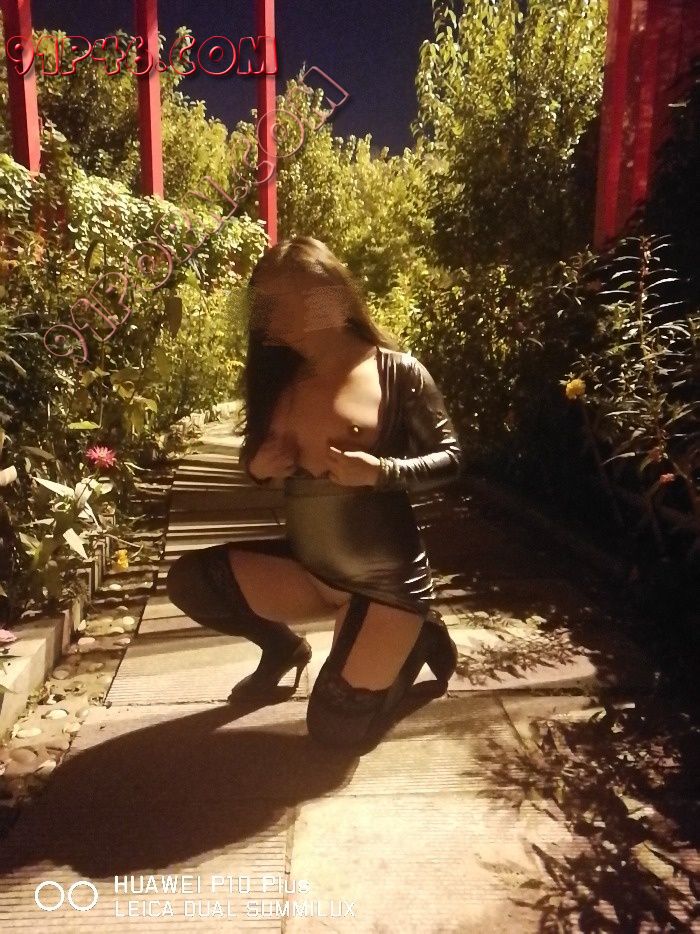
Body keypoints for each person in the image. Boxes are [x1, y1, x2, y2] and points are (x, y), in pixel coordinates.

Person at [166, 236, 463, 748]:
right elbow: (256, 459)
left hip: (385, 584)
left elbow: (452, 459)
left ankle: (417, 636)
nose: (277, 320)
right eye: (268, 306)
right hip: (311, 572)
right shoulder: (279, 379)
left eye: (292, 302)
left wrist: (382, 471)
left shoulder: (397, 371)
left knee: (335, 728)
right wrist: (258, 466)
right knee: (192, 581)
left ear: (332, 295)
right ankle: (284, 649)